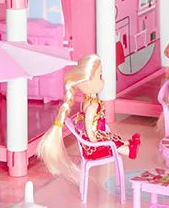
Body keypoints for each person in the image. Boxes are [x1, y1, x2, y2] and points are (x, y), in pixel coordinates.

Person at [39, 54, 140, 184]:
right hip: (93, 147)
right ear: (87, 82)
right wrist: (95, 138)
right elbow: (89, 128)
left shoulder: (89, 101)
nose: (103, 80)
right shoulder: (92, 105)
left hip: (95, 136)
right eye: (100, 76)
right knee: (113, 143)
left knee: (114, 138)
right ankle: (128, 150)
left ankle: (128, 144)